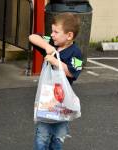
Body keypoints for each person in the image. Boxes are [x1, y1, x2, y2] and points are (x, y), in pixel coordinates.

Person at [29, 12, 82, 150]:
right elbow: (32, 37)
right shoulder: (52, 44)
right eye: (51, 31)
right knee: (42, 136)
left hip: (63, 103)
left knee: (58, 137)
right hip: (46, 101)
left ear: (69, 35)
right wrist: (47, 47)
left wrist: (55, 61)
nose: (52, 34)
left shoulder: (76, 53)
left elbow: (73, 72)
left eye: (55, 32)